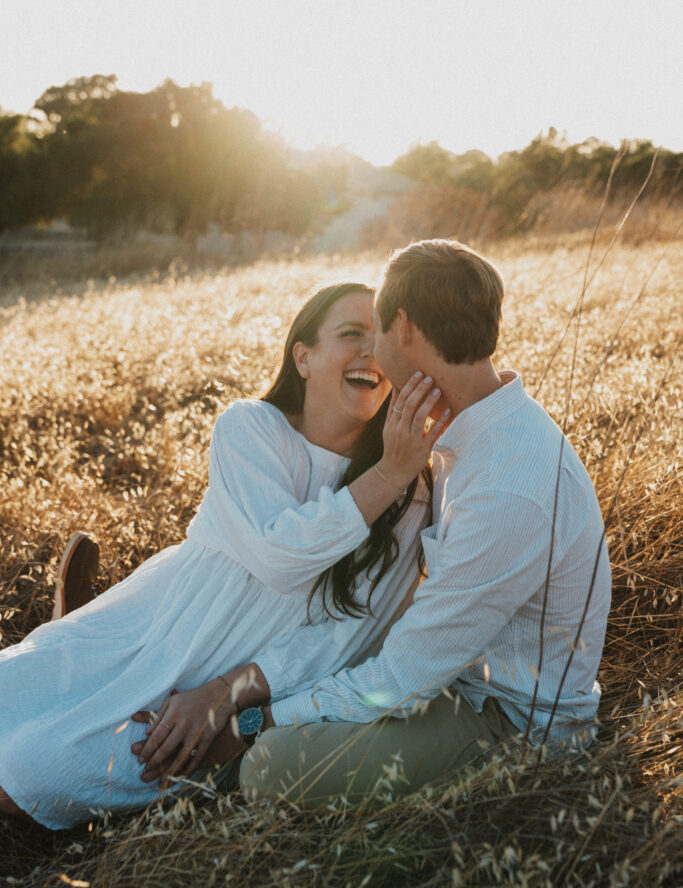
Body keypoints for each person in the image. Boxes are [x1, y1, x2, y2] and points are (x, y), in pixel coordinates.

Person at [133, 239, 611, 805]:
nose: (373, 349)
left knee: (272, 766)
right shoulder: (469, 434)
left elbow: (400, 680)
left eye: (376, 329)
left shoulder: (506, 484)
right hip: (451, 676)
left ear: (403, 328)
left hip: (510, 721)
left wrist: (253, 723)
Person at [0, 282, 450, 828]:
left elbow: (349, 639)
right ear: (302, 357)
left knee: (32, 770)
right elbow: (279, 555)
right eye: (350, 334)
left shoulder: (410, 494)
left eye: (379, 341)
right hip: (152, 623)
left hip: (221, 690)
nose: (367, 352)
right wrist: (388, 474)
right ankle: (76, 625)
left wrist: (225, 694)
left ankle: (72, 625)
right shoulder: (251, 427)